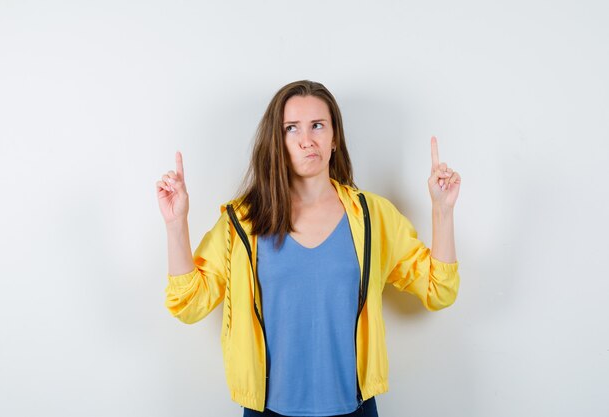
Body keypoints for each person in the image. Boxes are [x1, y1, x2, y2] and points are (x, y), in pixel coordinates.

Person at [156, 80, 461, 417]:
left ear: (334, 139)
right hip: (266, 410)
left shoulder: (373, 217)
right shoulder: (242, 221)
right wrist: (176, 223)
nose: (306, 140)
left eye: (318, 125)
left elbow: (439, 289)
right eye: (291, 129)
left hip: (354, 408)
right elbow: (189, 304)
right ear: (277, 141)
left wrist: (442, 210)